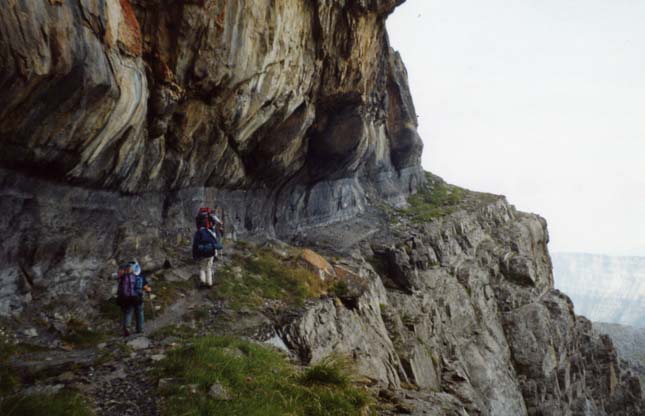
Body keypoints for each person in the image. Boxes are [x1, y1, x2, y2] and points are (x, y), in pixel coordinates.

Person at [116, 261, 152, 337]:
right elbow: (145, 287)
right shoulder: (140, 276)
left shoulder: (124, 276)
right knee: (139, 312)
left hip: (127, 298)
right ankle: (140, 329)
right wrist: (148, 289)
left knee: (128, 312)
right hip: (138, 298)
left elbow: (117, 279)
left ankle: (127, 328)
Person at [193, 222, 222, 288]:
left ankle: (203, 281)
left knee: (202, 268)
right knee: (209, 268)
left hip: (203, 254)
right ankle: (209, 283)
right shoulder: (209, 232)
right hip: (211, 253)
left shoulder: (198, 233)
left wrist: (195, 256)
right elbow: (215, 242)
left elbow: (195, 245)